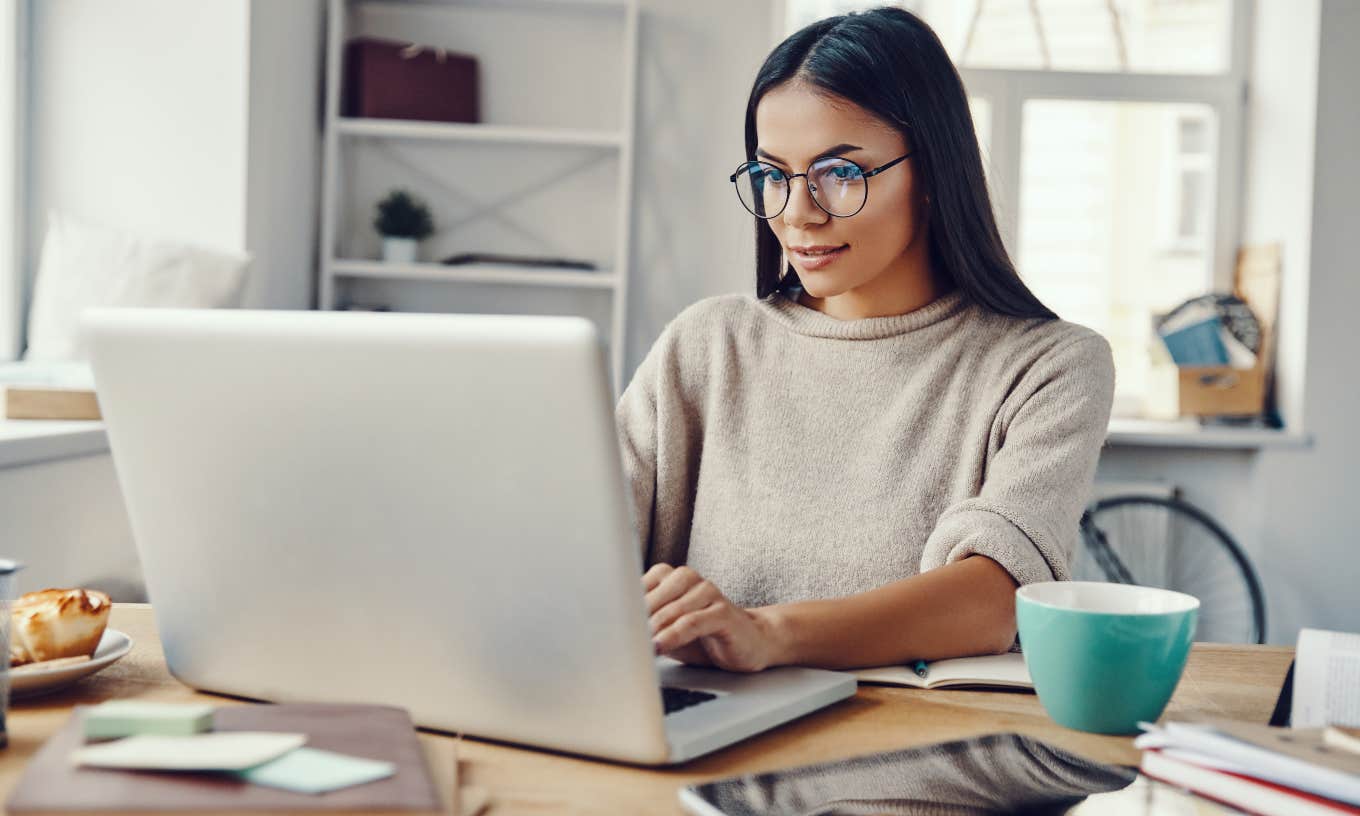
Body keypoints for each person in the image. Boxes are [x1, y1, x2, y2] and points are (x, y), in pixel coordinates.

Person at [616, 7, 1115, 674]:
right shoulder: (706, 345)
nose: (798, 213)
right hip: (708, 747)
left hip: (919, 758)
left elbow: (991, 600)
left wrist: (767, 632)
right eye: (772, 175)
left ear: (933, 173)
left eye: (839, 173)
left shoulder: (1048, 366)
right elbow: (582, 542)